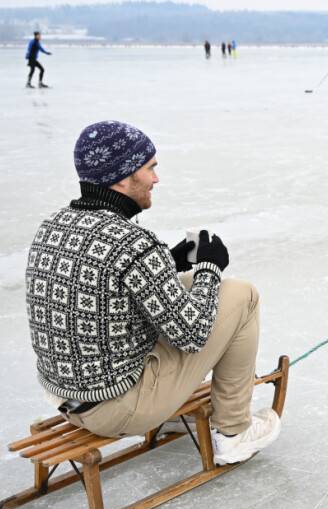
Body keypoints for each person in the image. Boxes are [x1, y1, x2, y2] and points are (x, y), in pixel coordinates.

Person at [25, 121, 280, 464]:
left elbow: (103, 285)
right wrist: (209, 266)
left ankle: (181, 408)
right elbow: (192, 335)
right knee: (242, 295)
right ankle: (234, 432)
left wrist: (168, 263)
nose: (156, 179)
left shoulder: (54, 225)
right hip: (118, 408)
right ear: (121, 178)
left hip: (66, 397)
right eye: (150, 169)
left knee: (189, 291)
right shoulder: (130, 243)